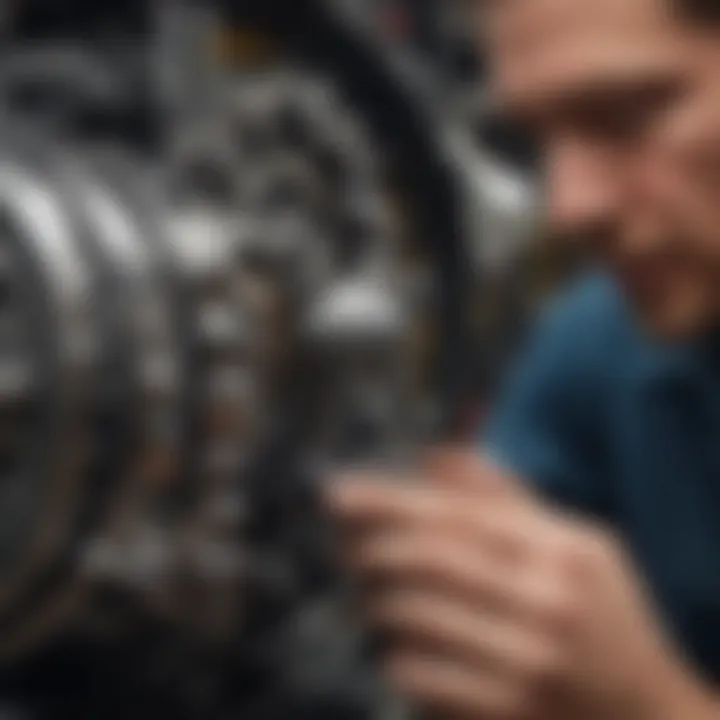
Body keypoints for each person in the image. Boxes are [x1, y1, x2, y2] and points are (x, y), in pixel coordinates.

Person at [329, 0, 720, 718]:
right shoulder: (605, 345)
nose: (569, 208)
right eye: (538, 139)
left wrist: (648, 705)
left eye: (627, 117)